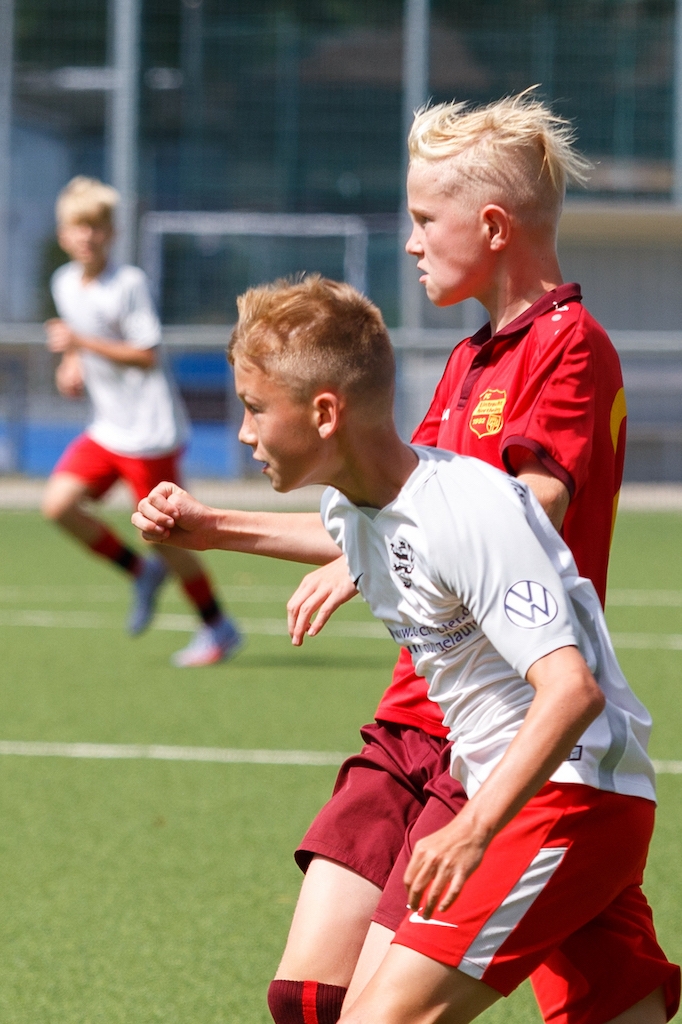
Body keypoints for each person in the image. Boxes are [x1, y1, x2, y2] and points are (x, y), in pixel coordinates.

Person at [132, 93, 629, 1021]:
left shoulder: (568, 346)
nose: (410, 242)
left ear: (492, 227)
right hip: (431, 708)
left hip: (515, 722)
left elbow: (529, 512)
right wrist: (222, 527)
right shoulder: (469, 358)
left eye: (424, 219)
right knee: (314, 997)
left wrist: (370, 552)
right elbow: (391, 510)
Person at [41, 175, 242, 667]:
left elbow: (146, 354)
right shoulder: (63, 282)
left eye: (96, 226)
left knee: (167, 536)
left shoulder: (127, 284)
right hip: (107, 428)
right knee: (57, 505)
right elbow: (79, 347)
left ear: (111, 233)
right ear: (63, 234)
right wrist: (71, 366)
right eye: (78, 226)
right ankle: (140, 572)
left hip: (150, 434)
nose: (87, 236)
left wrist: (79, 345)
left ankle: (218, 627)